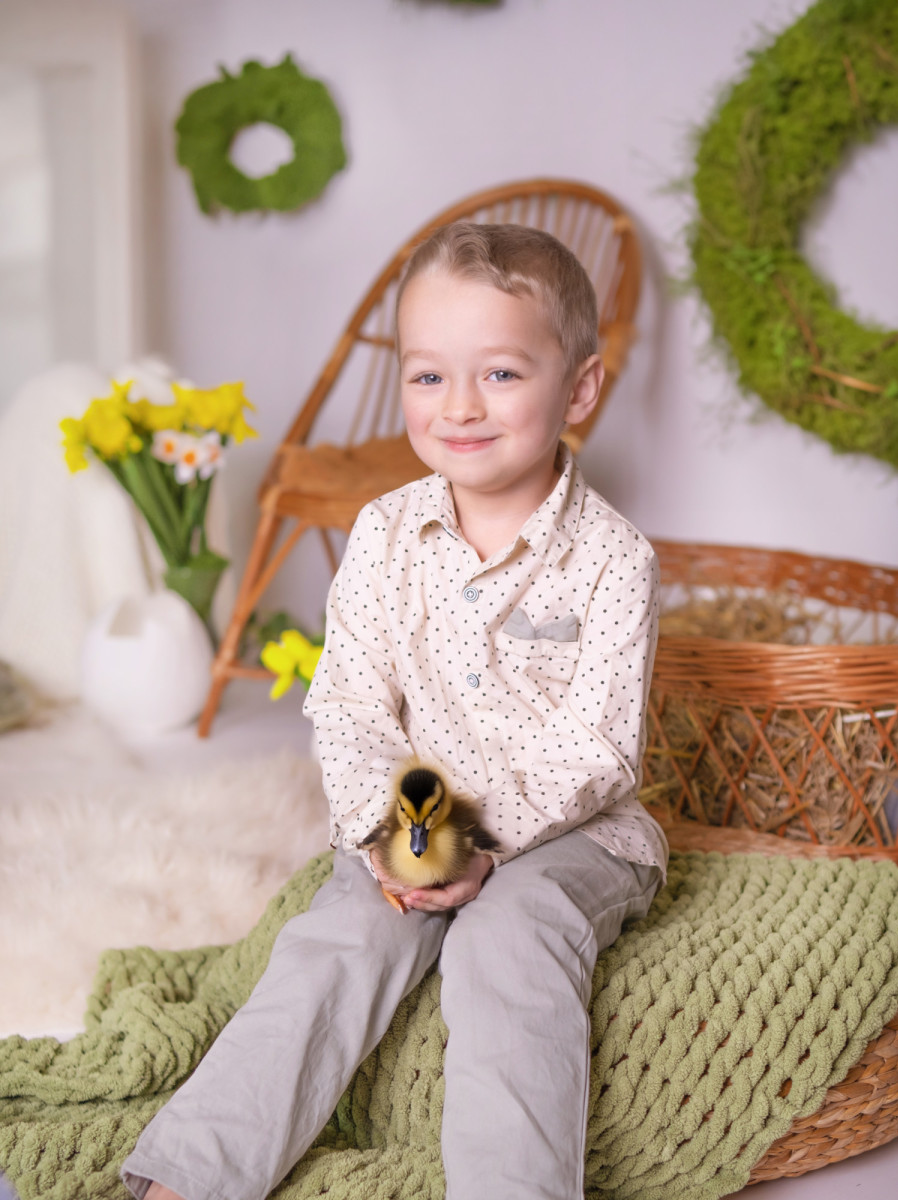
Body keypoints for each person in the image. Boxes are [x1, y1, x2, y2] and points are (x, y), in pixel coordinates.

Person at [121, 222, 668, 1200]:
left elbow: (595, 751)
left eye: (500, 373)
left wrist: (480, 844)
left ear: (579, 390)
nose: (460, 405)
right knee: (340, 940)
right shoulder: (384, 534)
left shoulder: (615, 559)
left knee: (509, 940)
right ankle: (193, 1175)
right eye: (428, 376)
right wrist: (406, 838)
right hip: (416, 820)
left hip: (576, 833)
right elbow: (351, 708)